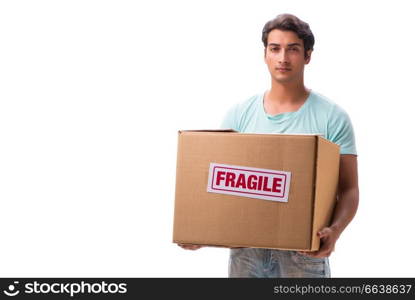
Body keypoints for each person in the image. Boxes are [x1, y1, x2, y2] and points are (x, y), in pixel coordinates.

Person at [178, 13, 359, 278]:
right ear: (265, 54)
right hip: (245, 255)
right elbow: (221, 188)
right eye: (275, 49)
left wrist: (335, 231)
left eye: (293, 49)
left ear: (308, 56)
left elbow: (350, 189)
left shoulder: (332, 118)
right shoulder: (238, 115)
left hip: (303, 256)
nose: (283, 58)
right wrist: (201, 231)